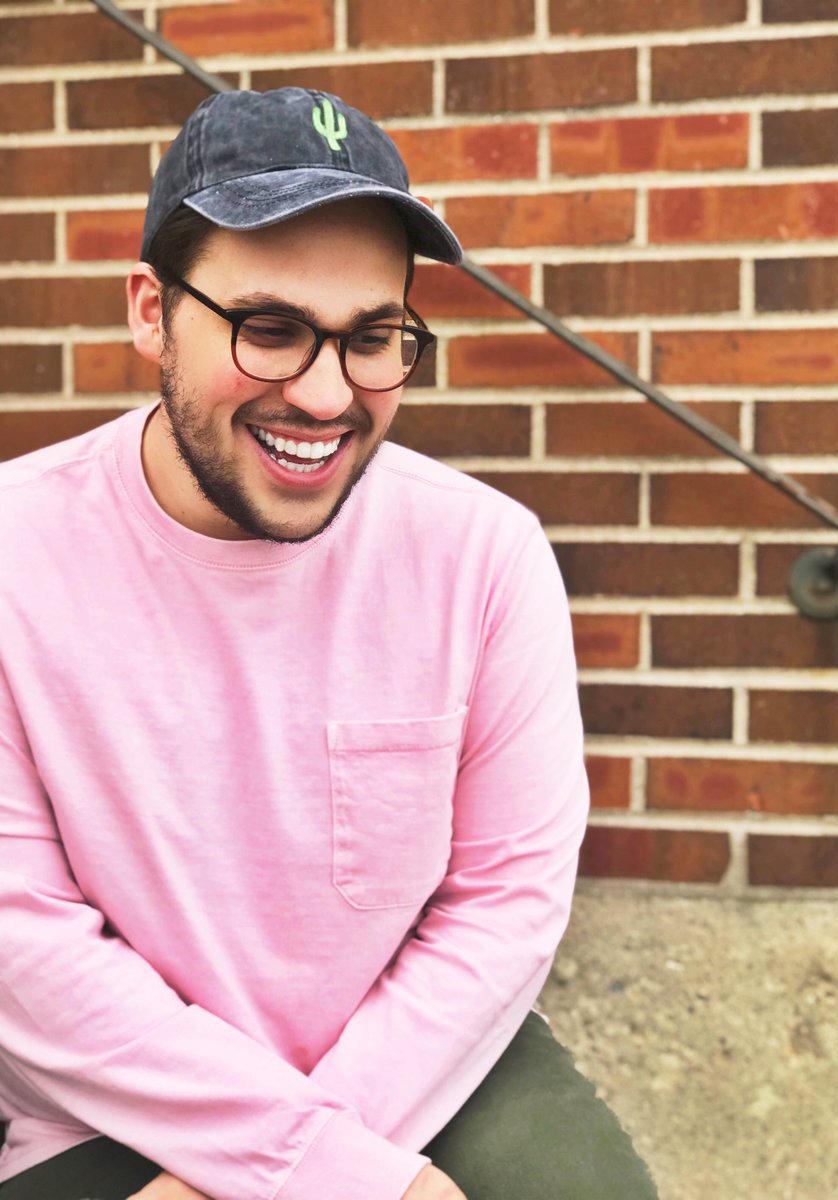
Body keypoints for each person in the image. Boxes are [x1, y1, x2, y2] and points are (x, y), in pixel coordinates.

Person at [0, 89, 657, 1200]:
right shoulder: (18, 549)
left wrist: (298, 1169)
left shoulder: (483, 555)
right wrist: (338, 1179)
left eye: (373, 339)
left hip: (418, 1054)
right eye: (270, 328)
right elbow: (22, 946)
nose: (323, 393)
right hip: (112, 1090)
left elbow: (505, 902)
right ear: (152, 311)